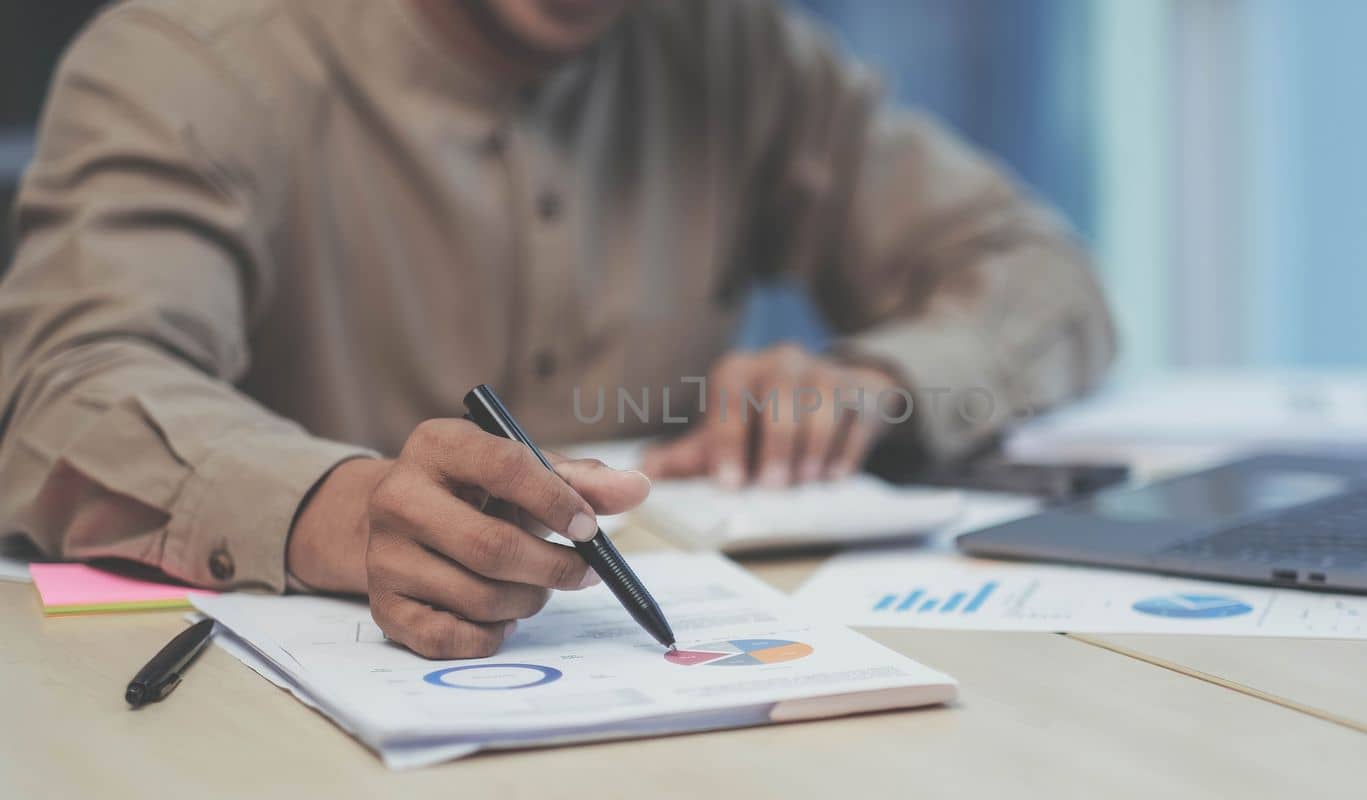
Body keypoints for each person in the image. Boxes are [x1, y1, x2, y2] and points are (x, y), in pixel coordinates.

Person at [0, 0, 1115, 657]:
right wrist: (338, 509)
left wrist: (880, 376)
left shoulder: (730, 52)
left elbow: (1044, 271)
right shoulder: (192, 55)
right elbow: (65, 383)